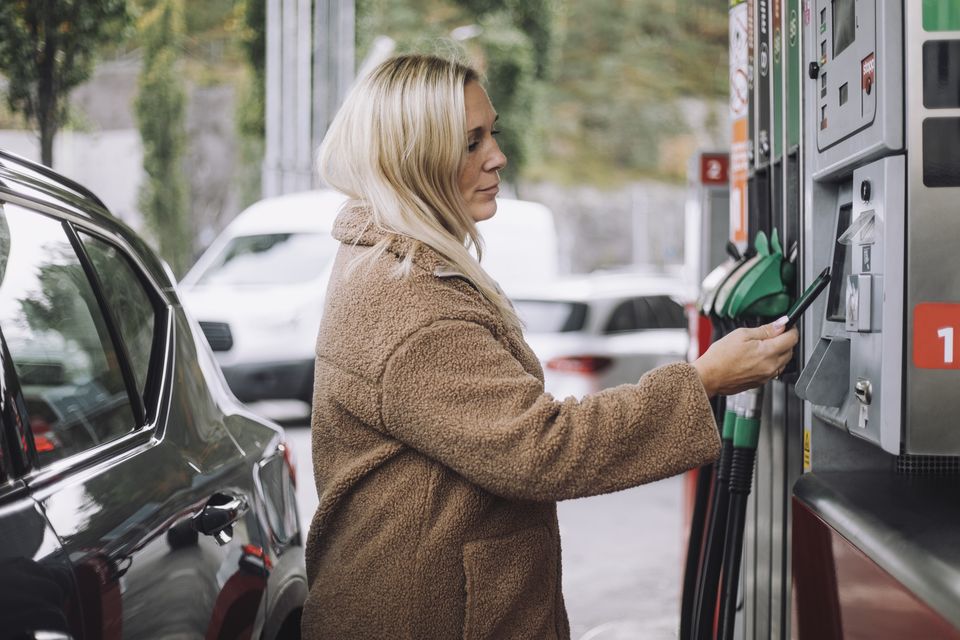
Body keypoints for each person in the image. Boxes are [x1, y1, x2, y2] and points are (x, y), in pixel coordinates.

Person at [303, 53, 798, 639]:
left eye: (493, 133)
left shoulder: (388, 263)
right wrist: (705, 380)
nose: (497, 157)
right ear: (413, 158)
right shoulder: (409, 302)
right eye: (470, 143)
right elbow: (543, 449)